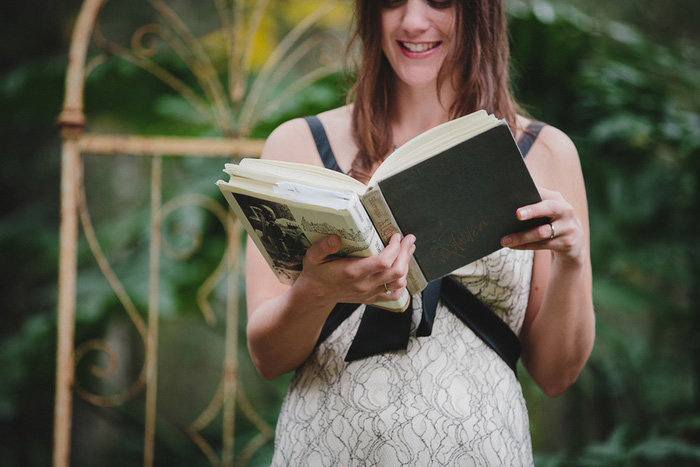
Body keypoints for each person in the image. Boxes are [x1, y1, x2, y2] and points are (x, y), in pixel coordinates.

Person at [245, 0, 595, 464]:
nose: (412, 21)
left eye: (439, 1)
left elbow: (556, 376)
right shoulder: (300, 146)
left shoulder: (544, 153)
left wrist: (573, 258)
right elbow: (268, 359)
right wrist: (315, 290)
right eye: (392, 2)